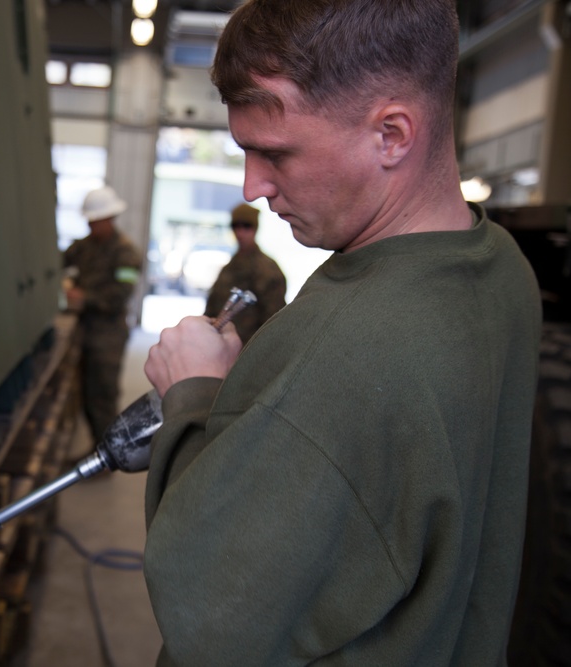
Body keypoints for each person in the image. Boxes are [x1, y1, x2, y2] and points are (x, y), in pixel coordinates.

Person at [141, 0, 542, 665]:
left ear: (390, 134)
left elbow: (208, 616)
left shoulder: (347, 347)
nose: (253, 185)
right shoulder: (499, 268)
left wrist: (196, 395)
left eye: (274, 152)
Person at [63, 185, 143, 443]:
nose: (91, 226)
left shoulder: (125, 253)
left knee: (103, 396)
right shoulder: (85, 246)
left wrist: (84, 298)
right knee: (86, 393)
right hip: (84, 330)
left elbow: (121, 295)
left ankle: (108, 456)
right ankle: (96, 450)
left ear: (109, 218)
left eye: (96, 221)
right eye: (89, 221)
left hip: (108, 335)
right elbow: (59, 263)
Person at [204, 203, 286, 341]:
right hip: (221, 347)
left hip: (249, 349)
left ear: (255, 229)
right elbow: (213, 307)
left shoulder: (267, 269)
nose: (240, 233)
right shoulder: (230, 266)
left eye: (246, 226)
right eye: (235, 226)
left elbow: (274, 321)